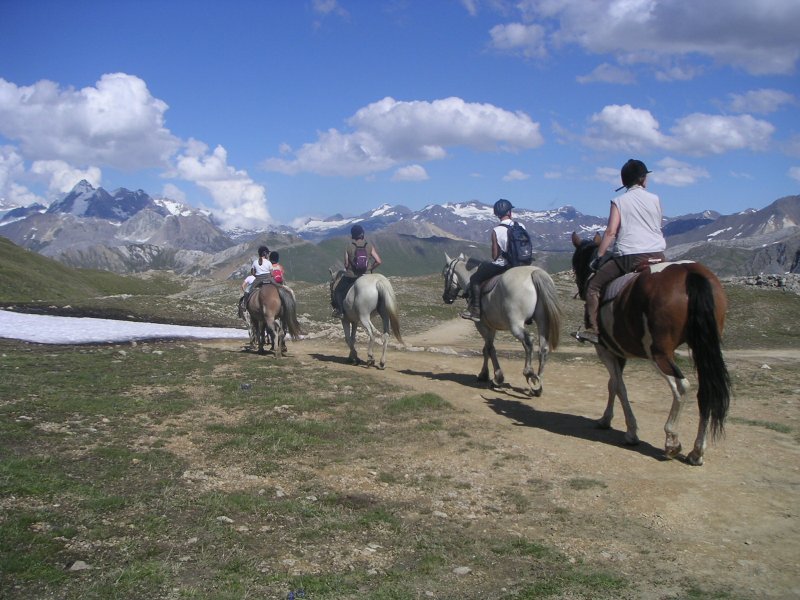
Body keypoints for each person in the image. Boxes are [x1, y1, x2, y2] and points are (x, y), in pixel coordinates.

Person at [576, 159, 666, 345]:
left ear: (625, 181)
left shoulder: (619, 201)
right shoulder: (655, 199)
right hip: (658, 254)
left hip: (630, 256)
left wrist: (599, 257)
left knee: (593, 286)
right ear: (642, 179)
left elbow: (610, 232)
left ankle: (593, 330)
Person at [460, 199, 524, 322]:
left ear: (497, 214)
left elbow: (495, 256)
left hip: (504, 265)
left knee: (475, 279)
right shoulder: (520, 226)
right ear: (509, 212)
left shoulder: (496, 230)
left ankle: (476, 311)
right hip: (523, 263)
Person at [331, 224, 382, 318]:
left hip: (352, 276)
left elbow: (346, 265)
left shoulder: (349, 247)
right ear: (362, 234)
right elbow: (378, 261)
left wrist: (349, 267)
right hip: (366, 275)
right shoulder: (369, 246)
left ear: (353, 235)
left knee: (338, 291)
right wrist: (370, 269)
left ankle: (340, 311)